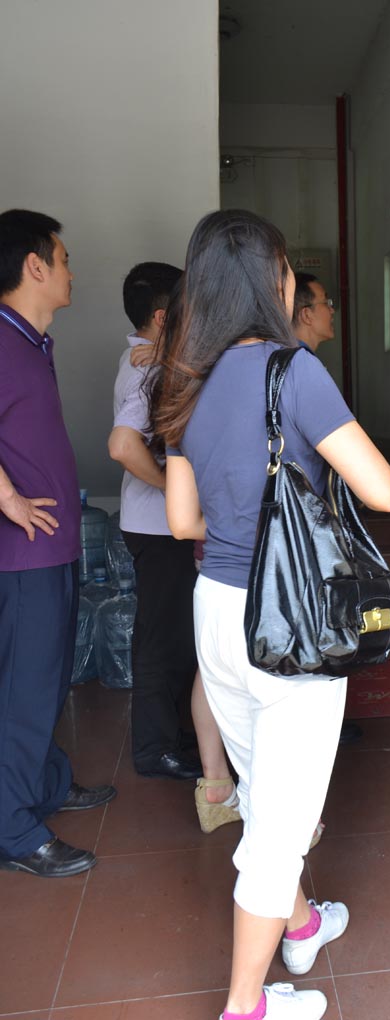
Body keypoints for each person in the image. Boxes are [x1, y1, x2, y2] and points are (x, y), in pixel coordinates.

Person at [153, 209, 390, 1020]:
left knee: (265, 790)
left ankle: (301, 927)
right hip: (290, 614)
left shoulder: (182, 382)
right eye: (289, 268)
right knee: (278, 828)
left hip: (217, 610)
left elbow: (183, 522)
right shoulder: (294, 373)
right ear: (274, 280)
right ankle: (245, 1006)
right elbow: (384, 490)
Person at [0, 209, 116, 879]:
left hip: (55, 551)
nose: (72, 271)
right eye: (64, 259)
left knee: (47, 681)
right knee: (24, 687)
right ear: (35, 266)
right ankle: (14, 830)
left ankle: (44, 786)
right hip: (22, 558)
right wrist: (9, 498)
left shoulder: (32, 343)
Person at [109, 262, 206, 780]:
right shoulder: (146, 368)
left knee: (173, 632)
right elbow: (123, 446)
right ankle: (155, 749)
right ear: (165, 317)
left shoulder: (150, 359)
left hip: (157, 523)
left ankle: (173, 734)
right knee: (160, 638)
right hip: (157, 523)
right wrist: (173, 487)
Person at [292, 272, 363, 747]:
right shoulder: (301, 368)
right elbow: (381, 489)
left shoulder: (293, 364)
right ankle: (315, 728)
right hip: (304, 524)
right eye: (325, 302)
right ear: (304, 312)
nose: (331, 310)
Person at [292, 272, 335, 354]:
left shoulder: (279, 354)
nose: (332, 310)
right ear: (307, 315)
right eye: (326, 303)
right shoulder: (303, 360)